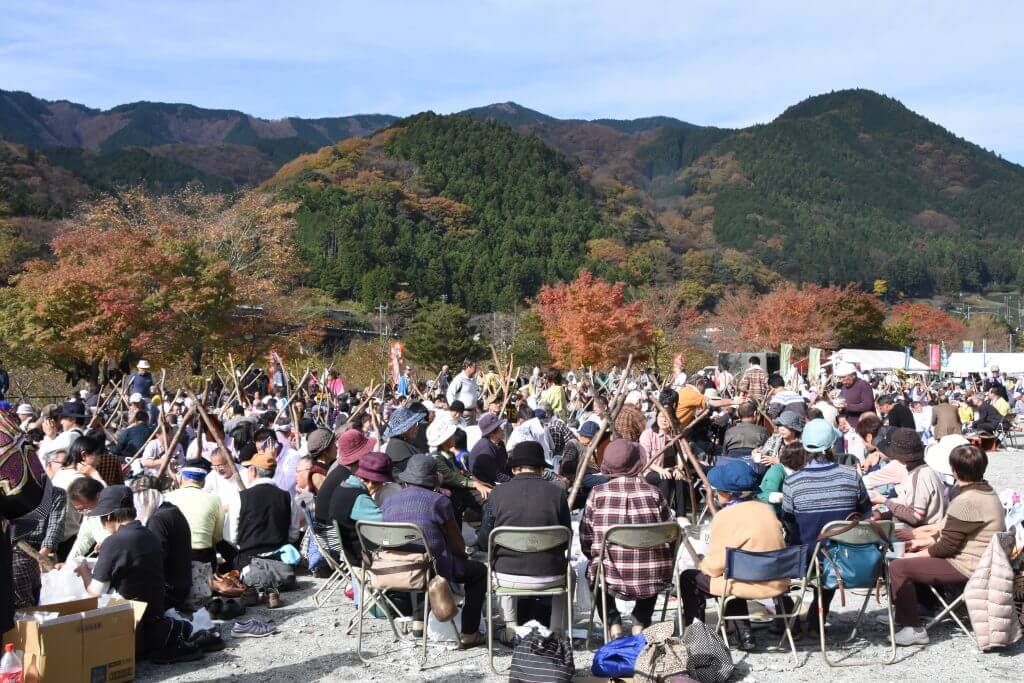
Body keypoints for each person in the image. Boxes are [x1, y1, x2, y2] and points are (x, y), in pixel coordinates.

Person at [888, 444, 1006, 646]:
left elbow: (946, 547)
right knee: (911, 554)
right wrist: (918, 543)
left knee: (899, 566)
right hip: (982, 559)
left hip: (969, 565)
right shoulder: (987, 492)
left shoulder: (967, 501)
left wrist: (912, 555)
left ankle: (912, 628)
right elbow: (951, 535)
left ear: (954, 470)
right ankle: (913, 611)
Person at [76, 485, 203, 663]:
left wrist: (82, 570)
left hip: (131, 621)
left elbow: (96, 591)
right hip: (155, 613)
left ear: (110, 517)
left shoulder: (115, 542)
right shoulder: (149, 534)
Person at [680, 459, 787, 651]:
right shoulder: (767, 510)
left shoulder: (726, 516)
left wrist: (701, 563)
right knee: (732, 572)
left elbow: (715, 567)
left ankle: (696, 636)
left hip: (747, 583)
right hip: (775, 580)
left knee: (690, 578)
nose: (714, 492)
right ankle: (743, 634)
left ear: (728, 494)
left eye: (717, 489)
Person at [382, 454, 488, 647]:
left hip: (399, 568)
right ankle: (469, 633)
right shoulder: (439, 501)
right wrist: (463, 555)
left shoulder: (389, 501)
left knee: (418, 555)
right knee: (479, 572)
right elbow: (456, 541)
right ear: (433, 479)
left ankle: (418, 623)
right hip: (432, 568)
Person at [476, 442, 571, 645]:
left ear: (513, 469)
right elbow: (566, 539)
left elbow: (485, 540)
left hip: (507, 578)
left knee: (498, 562)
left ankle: (510, 628)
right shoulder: (558, 493)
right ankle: (555, 631)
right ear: (541, 469)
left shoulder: (497, 495)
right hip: (551, 576)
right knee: (570, 572)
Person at [781, 418, 871, 631]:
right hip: (847, 555)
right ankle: (817, 615)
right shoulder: (851, 476)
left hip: (806, 557)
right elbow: (865, 512)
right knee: (831, 545)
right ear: (832, 446)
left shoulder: (793, 482)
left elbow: (788, 521)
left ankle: (787, 619)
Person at [580, 440, 674, 638]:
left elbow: (586, 538)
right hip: (651, 576)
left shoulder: (597, 494)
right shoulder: (654, 493)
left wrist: (595, 554)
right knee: (654, 563)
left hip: (610, 575)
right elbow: (671, 534)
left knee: (593, 568)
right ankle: (640, 621)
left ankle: (613, 623)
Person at [227, 449, 301, 571]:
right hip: (281, 561)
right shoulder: (287, 497)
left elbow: (233, 537)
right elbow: (293, 534)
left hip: (248, 562)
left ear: (253, 470)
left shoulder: (240, 498)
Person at [868, 428, 948, 527]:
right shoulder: (923, 470)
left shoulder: (920, 476)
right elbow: (908, 507)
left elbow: (915, 517)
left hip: (918, 535)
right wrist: (883, 515)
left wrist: (885, 501)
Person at [328, 452, 392, 568]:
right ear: (373, 482)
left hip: (349, 552)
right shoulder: (359, 498)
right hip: (363, 557)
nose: (381, 487)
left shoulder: (343, 486)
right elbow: (386, 522)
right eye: (381, 483)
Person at [142, 478, 193, 611]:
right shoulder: (171, 510)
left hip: (171, 591)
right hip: (182, 585)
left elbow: (157, 558)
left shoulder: (158, 519)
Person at [164, 459, 224, 569]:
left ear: (181, 478)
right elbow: (217, 536)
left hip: (175, 557)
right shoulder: (215, 500)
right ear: (203, 481)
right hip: (203, 555)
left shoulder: (168, 498)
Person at [757, 442, 806, 514]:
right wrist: (789, 497)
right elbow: (766, 495)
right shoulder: (777, 471)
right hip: (772, 513)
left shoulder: (800, 471)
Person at [466, 412, 508, 486]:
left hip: (496, 478)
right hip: (485, 484)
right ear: (492, 433)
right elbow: (497, 476)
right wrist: (514, 482)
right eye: (499, 428)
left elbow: (504, 465)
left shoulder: (499, 443)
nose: (502, 430)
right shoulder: (486, 450)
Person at [383, 407, 425, 473]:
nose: (416, 428)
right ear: (405, 430)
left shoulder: (401, 443)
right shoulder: (398, 448)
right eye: (414, 425)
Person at [835, 362, 874, 429]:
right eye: (840, 378)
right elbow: (841, 400)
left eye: (843, 377)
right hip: (849, 425)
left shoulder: (863, 385)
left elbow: (867, 405)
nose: (841, 380)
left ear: (853, 375)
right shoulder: (844, 387)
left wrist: (847, 406)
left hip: (863, 426)